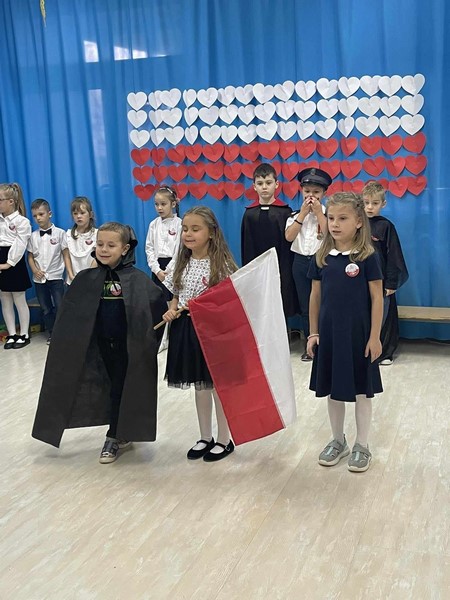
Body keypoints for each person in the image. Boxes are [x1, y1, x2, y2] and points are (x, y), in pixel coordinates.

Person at [32, 222, 167, 464]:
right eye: (100, 244)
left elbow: (155, 311)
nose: (104, 249)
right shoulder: (87, 278)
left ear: (125, 249)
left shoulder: (137, 280)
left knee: (122, 386)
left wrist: (145, 343)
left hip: (127, 347)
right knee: (110, 386)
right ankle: (120, 430)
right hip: (100, 346)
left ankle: (114, 435)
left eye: (111, 245)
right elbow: (71, 314)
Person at [307, 192, 383, 473]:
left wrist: (374, 337)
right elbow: (315, 297)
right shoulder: (322, 257)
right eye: (331, 218)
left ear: (359, 221)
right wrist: (313, 333)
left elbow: (377, 297)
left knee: (363, 391)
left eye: (342, 218)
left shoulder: (367, 257)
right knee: (333, 390)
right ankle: (338, 440)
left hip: (359, 335)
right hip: (329, 334)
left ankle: (362, 444)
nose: (335, 224)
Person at [163, 206, 238, 462]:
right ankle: (205, 436)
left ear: (212, 233)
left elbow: (228, 301)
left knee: (217, 387)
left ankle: (225, 439)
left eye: (195, 229)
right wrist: (172, 309)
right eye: (185, 229)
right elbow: (175, 294)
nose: (188, 234)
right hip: (187, 329)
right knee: (200, 386)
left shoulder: (222, 265)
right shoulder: (180, 262)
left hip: (213, 332)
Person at [285, 167, 332, 361]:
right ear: (301, 191)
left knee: (325, 303)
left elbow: (331, 235)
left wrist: (319, 213)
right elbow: (289, 237)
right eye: (307, 191)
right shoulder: (294, 215)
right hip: (300, 262)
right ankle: (310, 345)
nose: (311, 196)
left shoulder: (329, 215)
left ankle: (327, 343)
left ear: (324, 193)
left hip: (322, 261)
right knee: (306, 305)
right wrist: (303, 215)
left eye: (316, 192)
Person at [241, 163, 297, 318]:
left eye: (268, 183)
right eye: (260, 183)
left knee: (281, 297)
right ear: (254, 186)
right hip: (257, 265)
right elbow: (247, 245)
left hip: (281, 264)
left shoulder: (284, 212)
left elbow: (287, 244)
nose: (264, 187)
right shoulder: (249, 214)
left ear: (276, 184)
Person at [362, 181, 409, 365]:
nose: (369, 207)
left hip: (381, 282)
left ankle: (385, 352)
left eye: (374, 203)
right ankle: (364, 350)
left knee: (384, 315)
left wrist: (391, 283)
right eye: (366, 202)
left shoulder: (386, 226)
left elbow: (393, 255)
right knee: (364, 315)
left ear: (383, 204)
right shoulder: (357, 224)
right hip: (361, 280)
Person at [27, 199, 71, 345]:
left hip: (56, 277)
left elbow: (65, 254)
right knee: (46, 308)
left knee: (60, 306)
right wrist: (35, 270)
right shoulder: (33, 236)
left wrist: (68, 274)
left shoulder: (60, 233)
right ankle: (52, 334)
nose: (38, 218)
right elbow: (30, 256)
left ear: (49, 214)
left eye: (41, 214)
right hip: (39, 279)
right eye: (35, 216)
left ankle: (62, 334)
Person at [145, 185, 182, 351]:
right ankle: (161, 339)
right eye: (156, 204)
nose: (159, 208)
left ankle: (170, 336)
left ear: (173, 204)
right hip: (158, 269)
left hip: (173, 268)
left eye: (163, 204)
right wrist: (157, 270)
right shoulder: (153, 225)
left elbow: (179, 249)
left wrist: (169, 270)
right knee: (158, 303)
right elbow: (149, 248)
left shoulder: (180, 224)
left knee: (171, 304)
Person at [0, 182, 32, 349]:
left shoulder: (22, 221)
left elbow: (20, 244)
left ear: (11, 201)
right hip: (1, 259)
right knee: (4, 299)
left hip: (13, 261)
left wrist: (8, 263)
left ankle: (24, 334)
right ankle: (12, 334)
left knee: (19, 299)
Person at [65, 196, 97, 284]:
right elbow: (66, 256)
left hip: (91, 280)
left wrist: (88, 276)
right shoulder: (68, 235)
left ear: (90, 214)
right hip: (72, 280)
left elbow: (97, 257)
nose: (79, 216)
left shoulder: (97, 234)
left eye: (82, 213)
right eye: (75, 213)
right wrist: (70, 275)